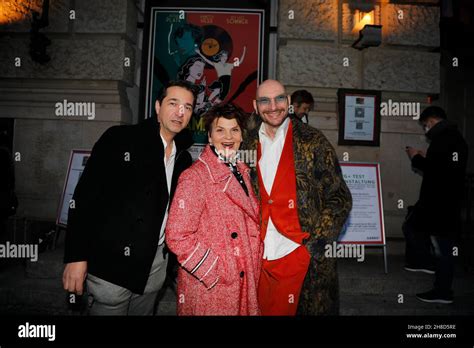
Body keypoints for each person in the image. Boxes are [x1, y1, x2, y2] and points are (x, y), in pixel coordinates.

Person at [62, 80, 197, 315]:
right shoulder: (120, 139)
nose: (180, 112)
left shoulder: (183, 159)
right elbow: (84, 199)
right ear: (157, 106)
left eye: (188, 106)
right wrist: (76, 256)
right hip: (111, 264)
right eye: (173, 103)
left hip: (154, 266)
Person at [242, 79, 352, 315]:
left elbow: (340, 197)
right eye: (265, 100)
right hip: (255, 256)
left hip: (299, 253)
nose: (273, 106)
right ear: (255, 105)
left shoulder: (313, 140)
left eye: (279, 98)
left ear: (289, 101)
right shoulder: (244, 141)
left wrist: (316, 244)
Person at [166, 103, 263, 315]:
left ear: (241, 135)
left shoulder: (243, 171)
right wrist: (215, 269)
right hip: (212, 287)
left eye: (234, 130)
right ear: (209, 137)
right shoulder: (195, 177)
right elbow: (176, 235)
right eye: (220, 130)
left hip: (243, 276)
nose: (228, 137)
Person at [404, 106, 468, 304]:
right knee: (444, 246)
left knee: (412, 227)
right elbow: (445, 166)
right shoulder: (455, 137)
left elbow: (435, 170)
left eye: (425, 125)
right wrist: (427, 157)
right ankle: (441, 288)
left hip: (438, 202)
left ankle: (427, 266)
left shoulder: (443, 139)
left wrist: (415, 157)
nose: (425, 130)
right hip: (448, 202)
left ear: (431, 121)